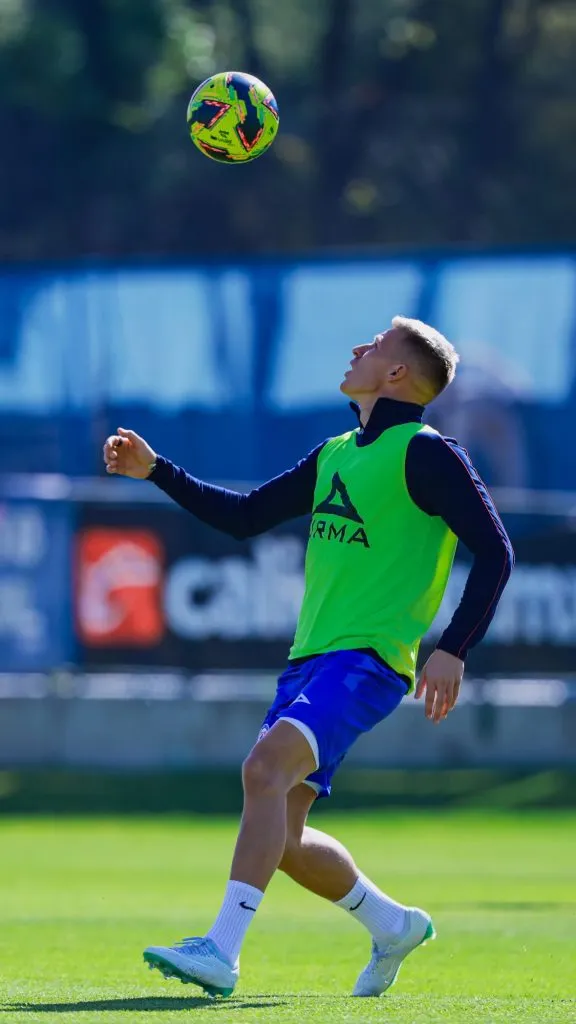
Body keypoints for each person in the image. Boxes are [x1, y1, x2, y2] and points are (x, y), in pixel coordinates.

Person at [103, 316, 514, 1000]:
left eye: (376, 345)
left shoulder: (428, 452)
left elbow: (496, 551)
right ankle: (393, 925)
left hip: (367, 661)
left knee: (262, 769)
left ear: (396, 376)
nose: (359, 348)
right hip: (309, 662)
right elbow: (243, 516)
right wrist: (156, 472)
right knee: (285, 840)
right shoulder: (335, 453)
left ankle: (221, 952)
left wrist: (453, 648)